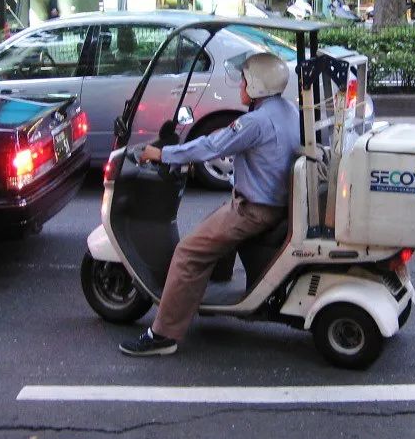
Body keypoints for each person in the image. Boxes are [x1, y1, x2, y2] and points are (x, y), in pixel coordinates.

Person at [119, 52, 300, 357]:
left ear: (256, 86)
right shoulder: (286, 110)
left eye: (244, 80)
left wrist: (161, 154)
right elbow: (230, 138)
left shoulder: (255, 121)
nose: (240, 85)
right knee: (212, 223)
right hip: (270, 204)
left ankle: (163, 334)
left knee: (188, 252)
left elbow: (210, 147)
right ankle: (210, 287)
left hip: (254, 212)